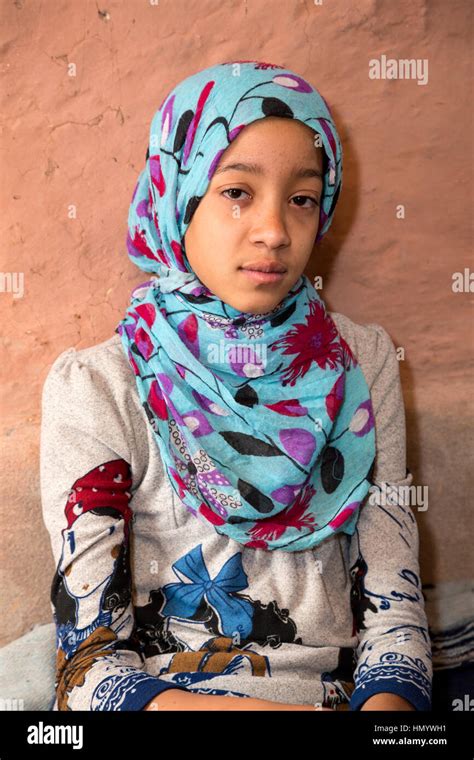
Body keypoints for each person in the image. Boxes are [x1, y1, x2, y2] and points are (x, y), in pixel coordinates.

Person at [40, 60, 432, 711]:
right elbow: (88, 666)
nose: (275, 231)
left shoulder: (359, 364)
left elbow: (396, 615)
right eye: (236, 192)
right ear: (177, 193)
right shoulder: (101, 384)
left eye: (302, 198)